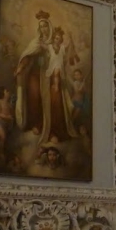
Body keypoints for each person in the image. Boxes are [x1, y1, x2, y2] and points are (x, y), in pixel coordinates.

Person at [15, 11, 81, 155]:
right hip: (35, 73)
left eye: (46, 26)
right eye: (41, 27)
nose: (44, 29)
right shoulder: (37, 41)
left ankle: (54, 130)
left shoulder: (54, 43)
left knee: (54, 102)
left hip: (50, 77)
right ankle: (38, 123)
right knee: (34, 96)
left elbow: (62, 57)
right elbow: (28, 54)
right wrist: (21, 67)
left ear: (49, 27)